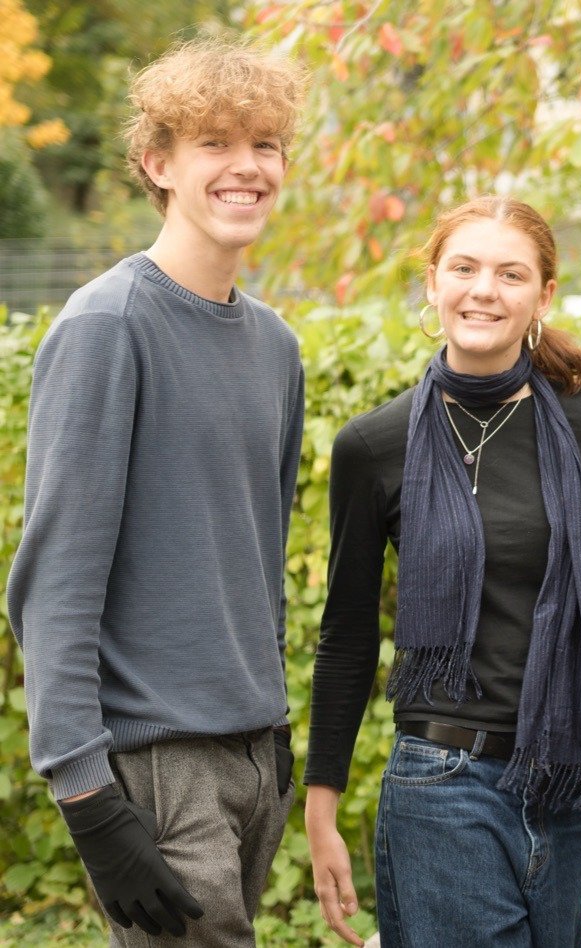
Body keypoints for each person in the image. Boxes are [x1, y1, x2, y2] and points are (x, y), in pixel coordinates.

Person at [7, 39, 308, 945]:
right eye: (215, 142)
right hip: (156, 762)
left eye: (265, 144)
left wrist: (274, 733)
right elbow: (54, 584)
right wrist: (86, 795)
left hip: (253, 753)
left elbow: (257, 558)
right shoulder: (108, 327)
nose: (246, 166)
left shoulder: (276, 347)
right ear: (158, 163)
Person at [303, 195, 581, 948]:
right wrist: (321, 806)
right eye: (463, 268)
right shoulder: (374, 446)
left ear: (543, 295)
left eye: (510, 274)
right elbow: (347, 637)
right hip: (442, 787)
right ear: (432, 282)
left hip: (577, 784)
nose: (484, 290)